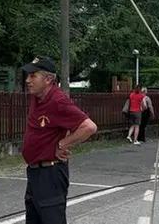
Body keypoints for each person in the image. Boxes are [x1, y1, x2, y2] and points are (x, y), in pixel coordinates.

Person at [20, 56, 98, 224]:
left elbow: (89, 127)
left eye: (33, 76)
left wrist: (63, 144)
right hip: (34, 172)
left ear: (48, 79)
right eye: (28, 75)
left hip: (51, 173)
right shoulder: (38, 97)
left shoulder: (58, 101)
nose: (27, 80)